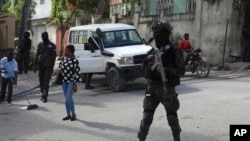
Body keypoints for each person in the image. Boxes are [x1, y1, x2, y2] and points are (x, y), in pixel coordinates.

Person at [138, 20, 185, 141]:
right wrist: (147, 60)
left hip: (166, 87)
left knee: (172, 118)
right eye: (155, 33)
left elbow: (181, 70)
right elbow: (142, 69)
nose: (156, 36)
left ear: (166, 34)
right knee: (147, 117)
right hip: (152, 88)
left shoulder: (174, 51)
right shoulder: (153, 51)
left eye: (158, 33)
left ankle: (177, 138)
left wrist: (167, 70)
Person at [58, 44, 81, 121]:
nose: (64, 51)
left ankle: (73, 114)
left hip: (71, 81)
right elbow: (60, 66)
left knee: (68, 96)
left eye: (66, 50)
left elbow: (77, 72)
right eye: (65, 50)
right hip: (64, 81)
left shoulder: (75, 61)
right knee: (66, 98)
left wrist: (75, 84)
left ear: (70, 52)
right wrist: (59, 70)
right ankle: (68, 115)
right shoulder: (64, 59)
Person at [34, 31, 56, 103]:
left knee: (46, 81)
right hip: (41, 66)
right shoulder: (40, 45)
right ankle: (42, 94)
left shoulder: (52, 45)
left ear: (47, 36)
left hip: (48, 67)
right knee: (41, 81)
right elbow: (37, 54)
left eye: (45, 36)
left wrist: (52, 66)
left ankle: (45, 96)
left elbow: (54, 57)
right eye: (42, 36)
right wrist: (35, 65)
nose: (43, 37)